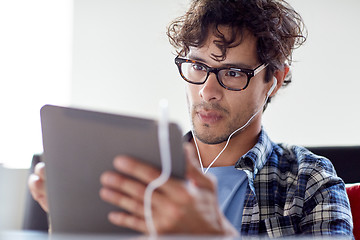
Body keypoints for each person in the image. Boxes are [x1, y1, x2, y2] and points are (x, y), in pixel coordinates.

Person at [29, 0, 354, 237]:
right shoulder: (139, 171)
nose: (208, 91)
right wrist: (67, 221)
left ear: (274, 80)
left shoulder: (308, 180)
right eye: (198, 67)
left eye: (233, 72)